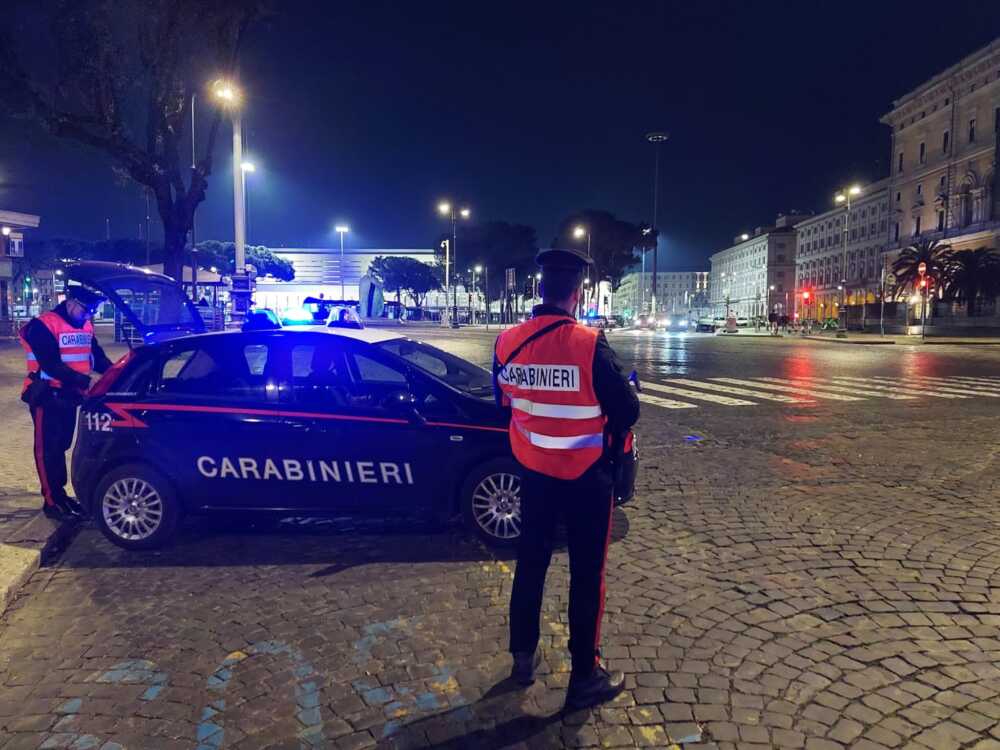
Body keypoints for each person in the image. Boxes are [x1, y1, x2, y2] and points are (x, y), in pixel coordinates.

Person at [493, 248, 640, 711]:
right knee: (586, 574)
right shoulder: (588, 342)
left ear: (540, 290)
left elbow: (505, 401)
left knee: (530, 564)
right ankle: (584, 674)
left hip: (533, 474)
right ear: (577, 294)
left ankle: (522, 658)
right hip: (585, 478)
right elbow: (627, 411)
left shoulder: (506, 342)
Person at [20, 286, 112, 520]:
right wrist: (86, 381)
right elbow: (51, 364)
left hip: (70, 396)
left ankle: (60, 494)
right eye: (86, 310)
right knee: (47, 449)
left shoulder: (85, 325)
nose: (88, 316)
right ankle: (51, 501)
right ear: (71, 303)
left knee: (61, 446)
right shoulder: (42, 325)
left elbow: (97, 358)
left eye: (92, 311)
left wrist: (117, 374)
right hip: (46, 396)